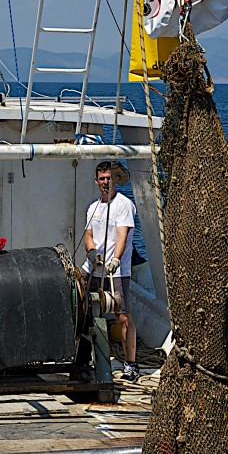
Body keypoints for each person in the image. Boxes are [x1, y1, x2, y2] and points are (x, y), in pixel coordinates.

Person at [83, 161, 138, 381]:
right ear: (96, 181)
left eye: (109, 178)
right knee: (84, 313)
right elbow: (88, 235)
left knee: (122, 316)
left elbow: (122, 235)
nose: (106, 182)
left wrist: (115, 260)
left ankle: (131, 365)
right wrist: (92, 254)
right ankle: (85, 360)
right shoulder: (93, 207)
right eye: (102, 178)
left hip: (116, 271)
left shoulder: (124, 205)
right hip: (94, 270)